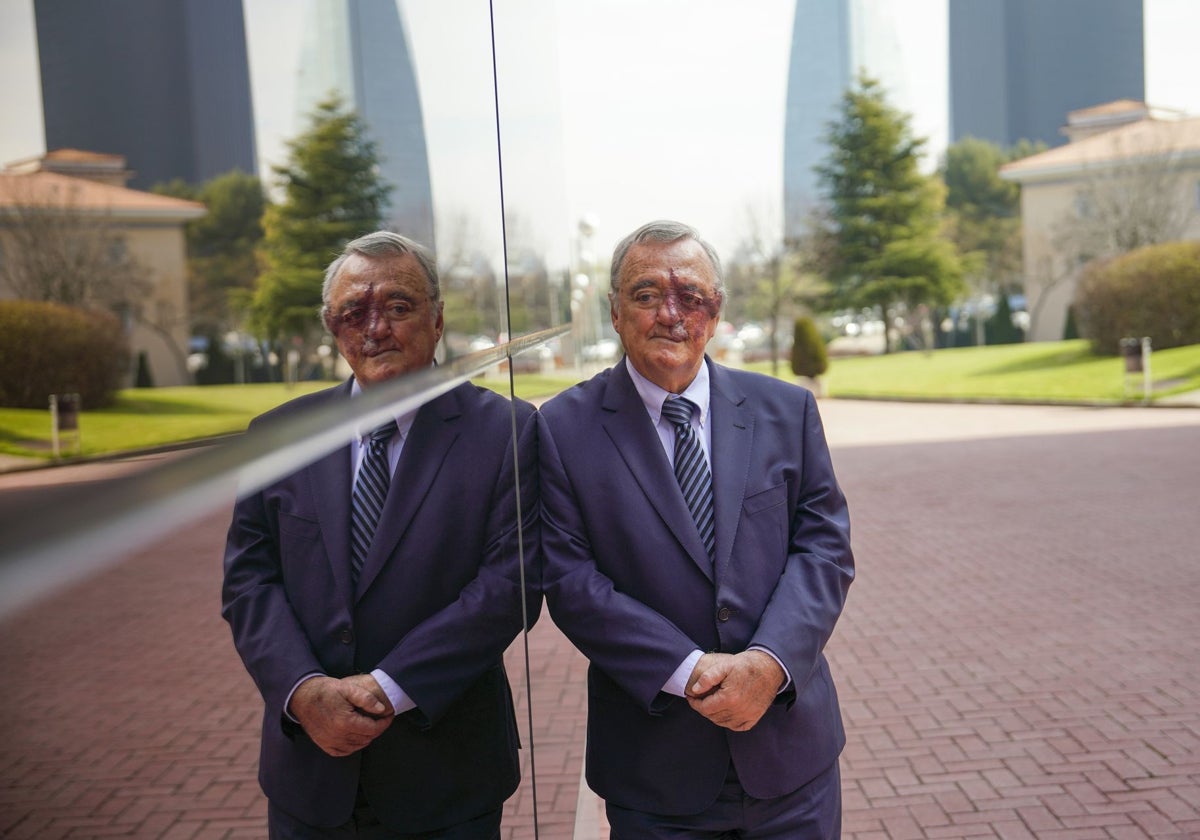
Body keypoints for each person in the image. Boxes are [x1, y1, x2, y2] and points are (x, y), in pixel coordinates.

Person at [538, 220, 854, 838]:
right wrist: (690, 672)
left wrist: (766, 664)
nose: (671, 314)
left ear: (716, 311)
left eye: (691, 296)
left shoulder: (785, 411)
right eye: (647, 293)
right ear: (614, 310)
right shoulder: (560, 428)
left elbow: (823, 547)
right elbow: (570, 581)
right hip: (655, 767)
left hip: (790, 753)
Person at [222, 230, 537, 838]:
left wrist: (390, 689)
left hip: (446, 771)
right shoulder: (278, 435)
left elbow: (511, 585)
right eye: (353, 312)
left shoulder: (506, 431)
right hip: (310, 772)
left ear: (437, 318)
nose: (376, 328)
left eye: (398, 307)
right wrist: (304, 690)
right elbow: (248, 582)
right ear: (331, 326)